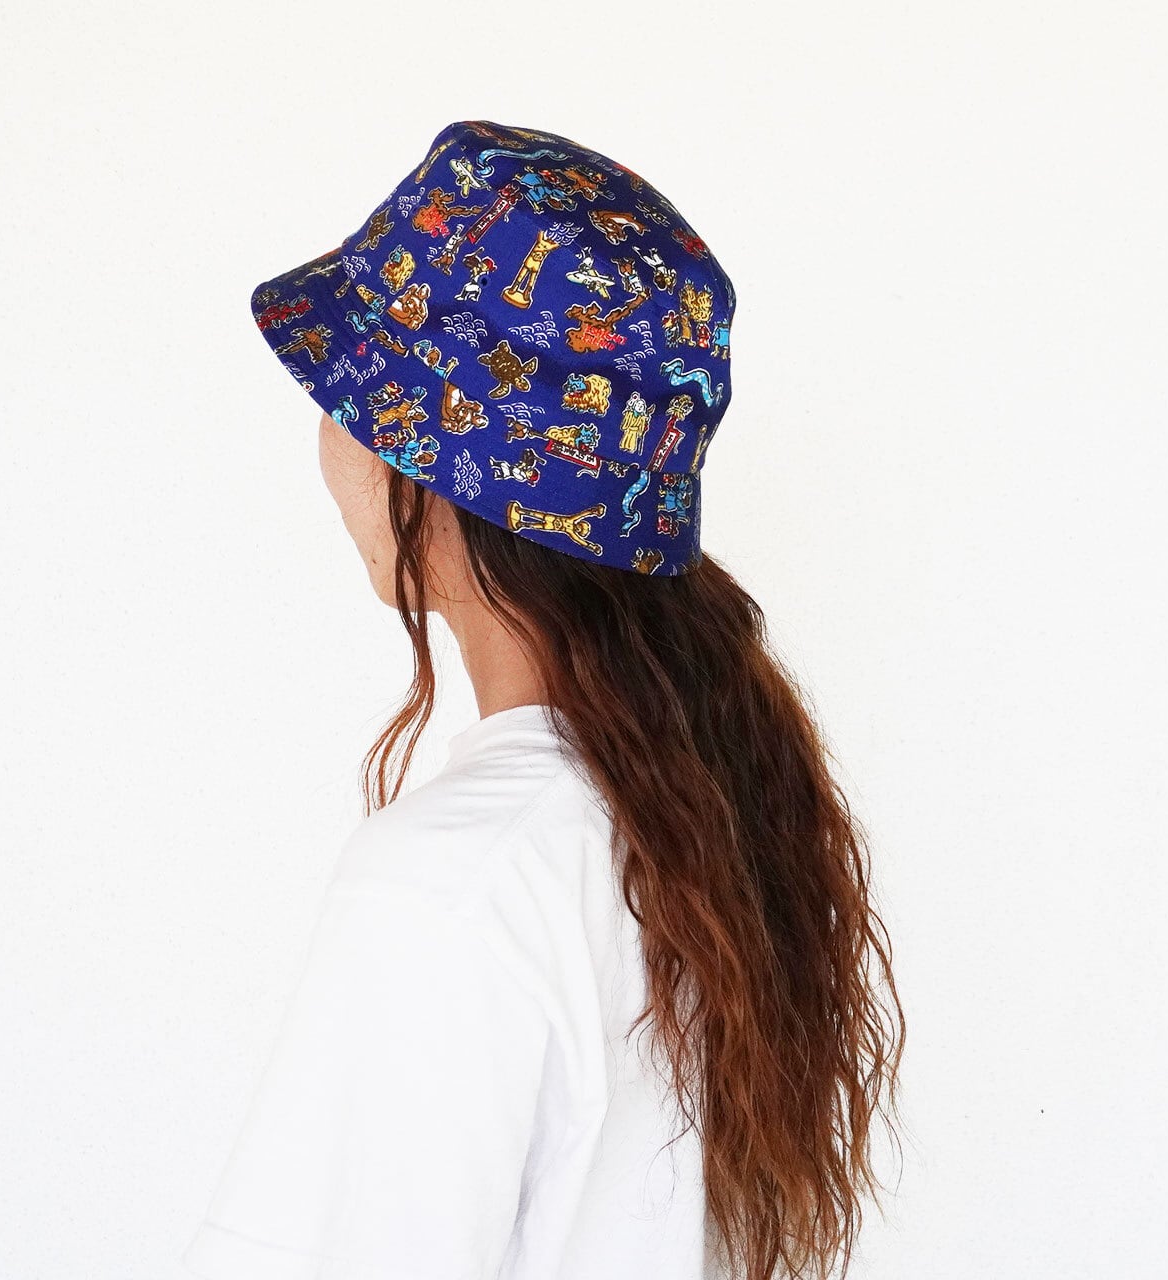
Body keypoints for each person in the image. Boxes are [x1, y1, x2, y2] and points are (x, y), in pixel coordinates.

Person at [171, 120, 905, 1280]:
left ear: (428, 465)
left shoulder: (457, 877)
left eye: (345, 394)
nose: (327, 440)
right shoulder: (703, 823)